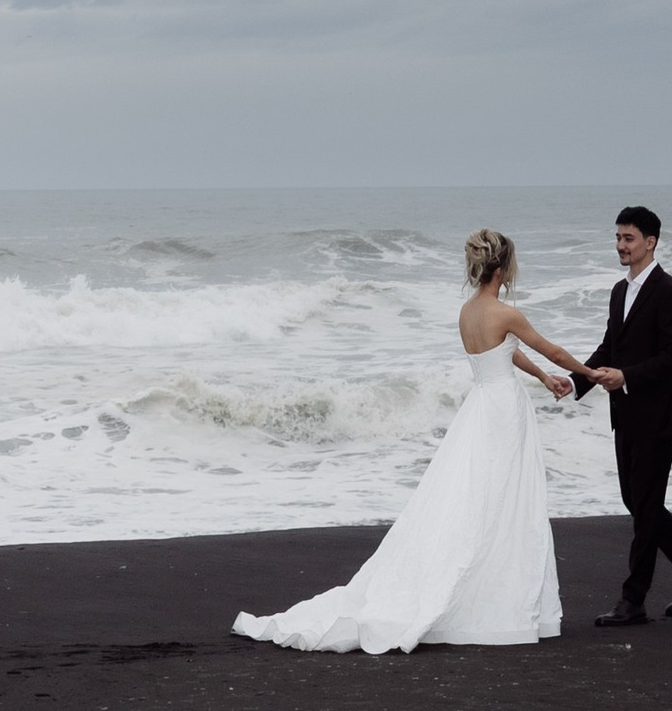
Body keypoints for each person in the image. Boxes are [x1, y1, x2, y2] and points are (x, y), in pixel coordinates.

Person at [233, 229, 583, 652]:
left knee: (479, 497)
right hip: (503, 411)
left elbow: (504, 352)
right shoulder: (505, 313)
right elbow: (552, 349)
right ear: (503, 268)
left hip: (481, 406)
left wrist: (544, 379)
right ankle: (492, 597)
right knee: (502, 499)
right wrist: (590, 372)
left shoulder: (468, 312)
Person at [572, 203, 672, 625]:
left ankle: (633, 600)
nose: (621, 245)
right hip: (626, 414)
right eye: (618, 237)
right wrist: (577, 380)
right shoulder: (620, 291)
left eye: (629, 238)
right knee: (638, 502)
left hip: (657, 416)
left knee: (646, 505)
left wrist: (627, 377)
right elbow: (609, 348)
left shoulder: (669, 291)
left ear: (650, 242)